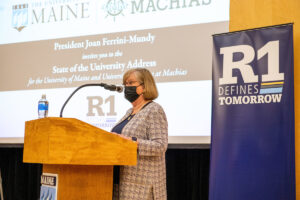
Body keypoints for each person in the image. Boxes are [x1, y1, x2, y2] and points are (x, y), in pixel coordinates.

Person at [111, 68, 168, 200]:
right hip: (121, 180)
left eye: (131, 83)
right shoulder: (129, 112)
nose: (127, 87)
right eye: (125, 83)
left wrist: (131, 141)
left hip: (141, 184)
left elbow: (160, 146)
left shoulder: (154, 110)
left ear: (144, 86)